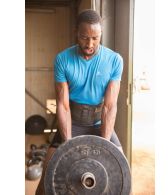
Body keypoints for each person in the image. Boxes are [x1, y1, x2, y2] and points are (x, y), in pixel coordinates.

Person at [36, 9, 124, 195]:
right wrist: (68, 147)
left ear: (101, 35)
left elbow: (109, 106)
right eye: (84, 37)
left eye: (95, 38)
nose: (90, 44)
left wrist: (105, 148)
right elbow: (63, 104)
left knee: (122, 173)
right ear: (77, 32)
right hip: (72, 121)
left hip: (99, 121)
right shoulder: (62, 59)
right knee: (46, 179)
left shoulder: (115, 60)